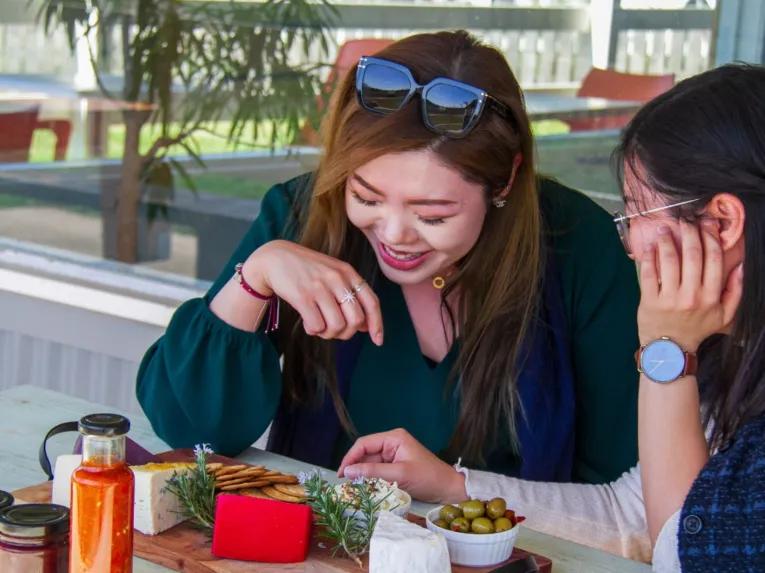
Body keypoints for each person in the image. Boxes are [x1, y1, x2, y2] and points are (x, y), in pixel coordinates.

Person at [136, 30, 640, 488]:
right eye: (367, 197)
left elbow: (616, 482)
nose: (394, 235)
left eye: (433, 215)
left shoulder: (577, 246)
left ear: (505, 180)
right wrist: (257, 276)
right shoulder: (304, 214)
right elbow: (192, 432)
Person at [339, 63, 765, 571]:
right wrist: (455, 486)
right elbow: (640, 516)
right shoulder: (736, 354)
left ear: (722, 221)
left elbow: (685, 553)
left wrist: (666, 354)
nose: (628, 245)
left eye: (635, 216)